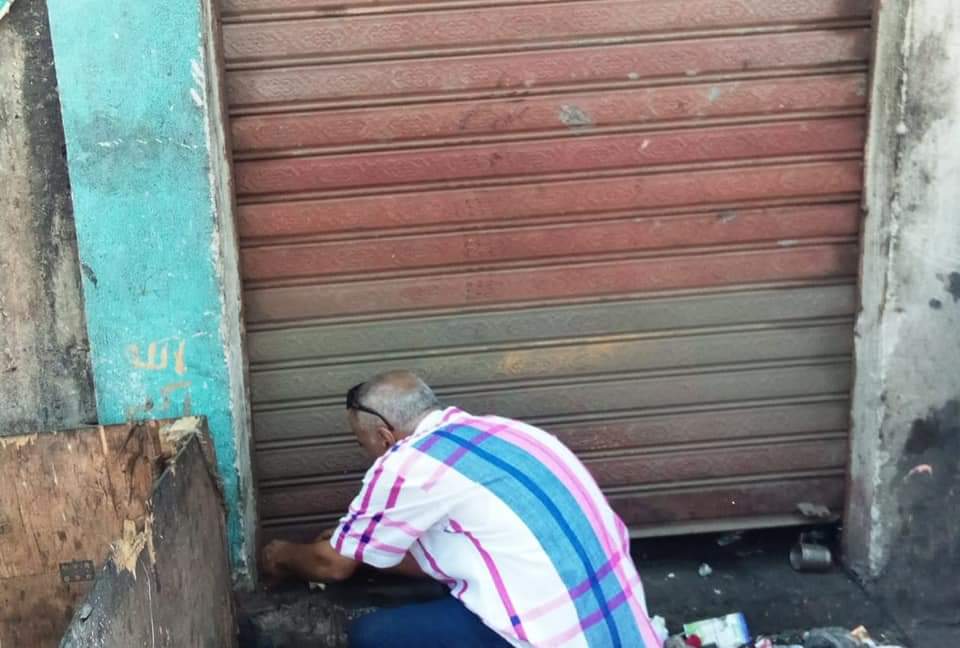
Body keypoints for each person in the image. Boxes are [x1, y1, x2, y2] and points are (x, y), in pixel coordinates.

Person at [261, 370, 661, 648]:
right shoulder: (509, 431)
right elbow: (463, 549)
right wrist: (362, 547)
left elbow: (331, 565)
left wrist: (280, 555)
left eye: (362, 443)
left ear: (384, 436)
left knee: (373, 636)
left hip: (547, 638)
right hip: (623, 626)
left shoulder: (408, 463)